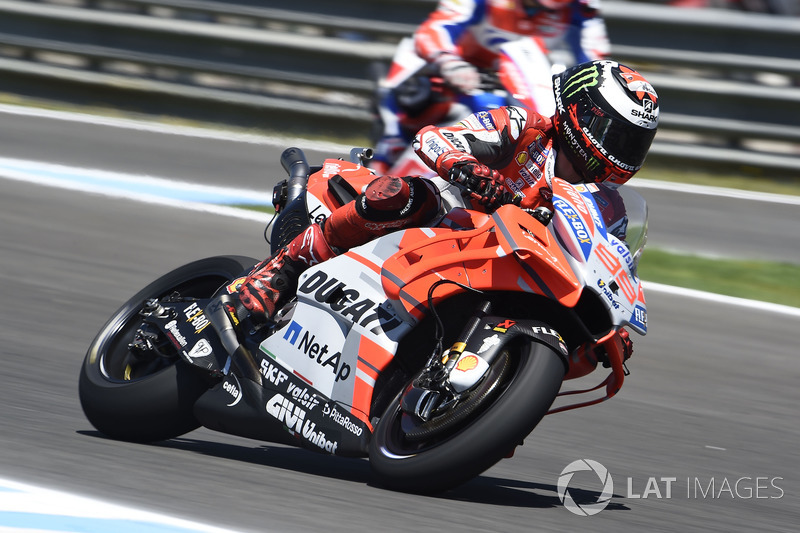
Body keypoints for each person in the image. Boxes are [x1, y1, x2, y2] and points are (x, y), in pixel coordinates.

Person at [236, 60, 658, 334]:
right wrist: (465, 167)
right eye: (616, 135)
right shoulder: (524, 128)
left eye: (635, 143)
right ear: (582, 114)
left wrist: (615, 325)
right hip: (446, 222)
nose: (622, 151)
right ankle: (279, 272)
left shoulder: (609, 207)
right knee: (405, 194)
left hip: (507, 266)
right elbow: (433, 137)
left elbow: (608, 265)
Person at [370, 0, 611, 173]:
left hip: (519, 88)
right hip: (457, 72)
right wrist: (449, 62)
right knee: (417, 99)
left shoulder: (582, 9)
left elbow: (596, 61)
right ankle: (378, 173)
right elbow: (434, 29)